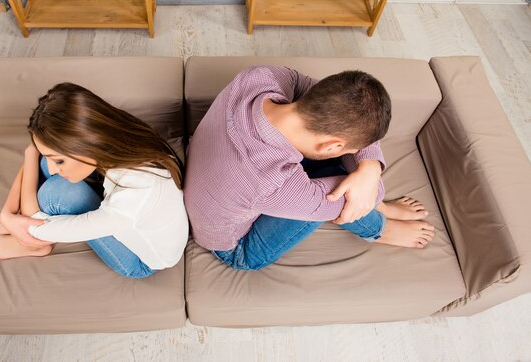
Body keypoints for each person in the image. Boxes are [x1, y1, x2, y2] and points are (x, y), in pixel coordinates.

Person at [184, 66, 435, 271]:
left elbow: (311, 86)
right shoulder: (272, 181)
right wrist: (369, 173)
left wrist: (368, 165)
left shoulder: (259, 77)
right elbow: (364, 196)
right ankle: (381, 229)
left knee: (354, 178)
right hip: (234, 246)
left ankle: (379, 207)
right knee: (345, 186)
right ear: (332, 145)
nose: (352, 153)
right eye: (348, 148)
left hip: (219, 177)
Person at [0, 83, 189, 278]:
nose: (54, 167)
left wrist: (10, 218)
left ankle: (35, 248)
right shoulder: (117, 136)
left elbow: (34, 227)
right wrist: (8, 211)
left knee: (55, 194)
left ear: (83, 144)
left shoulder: (134, 198)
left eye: (60, 160)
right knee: (45, 165)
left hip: (140, 261)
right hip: (128, 207)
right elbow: (36, 150)